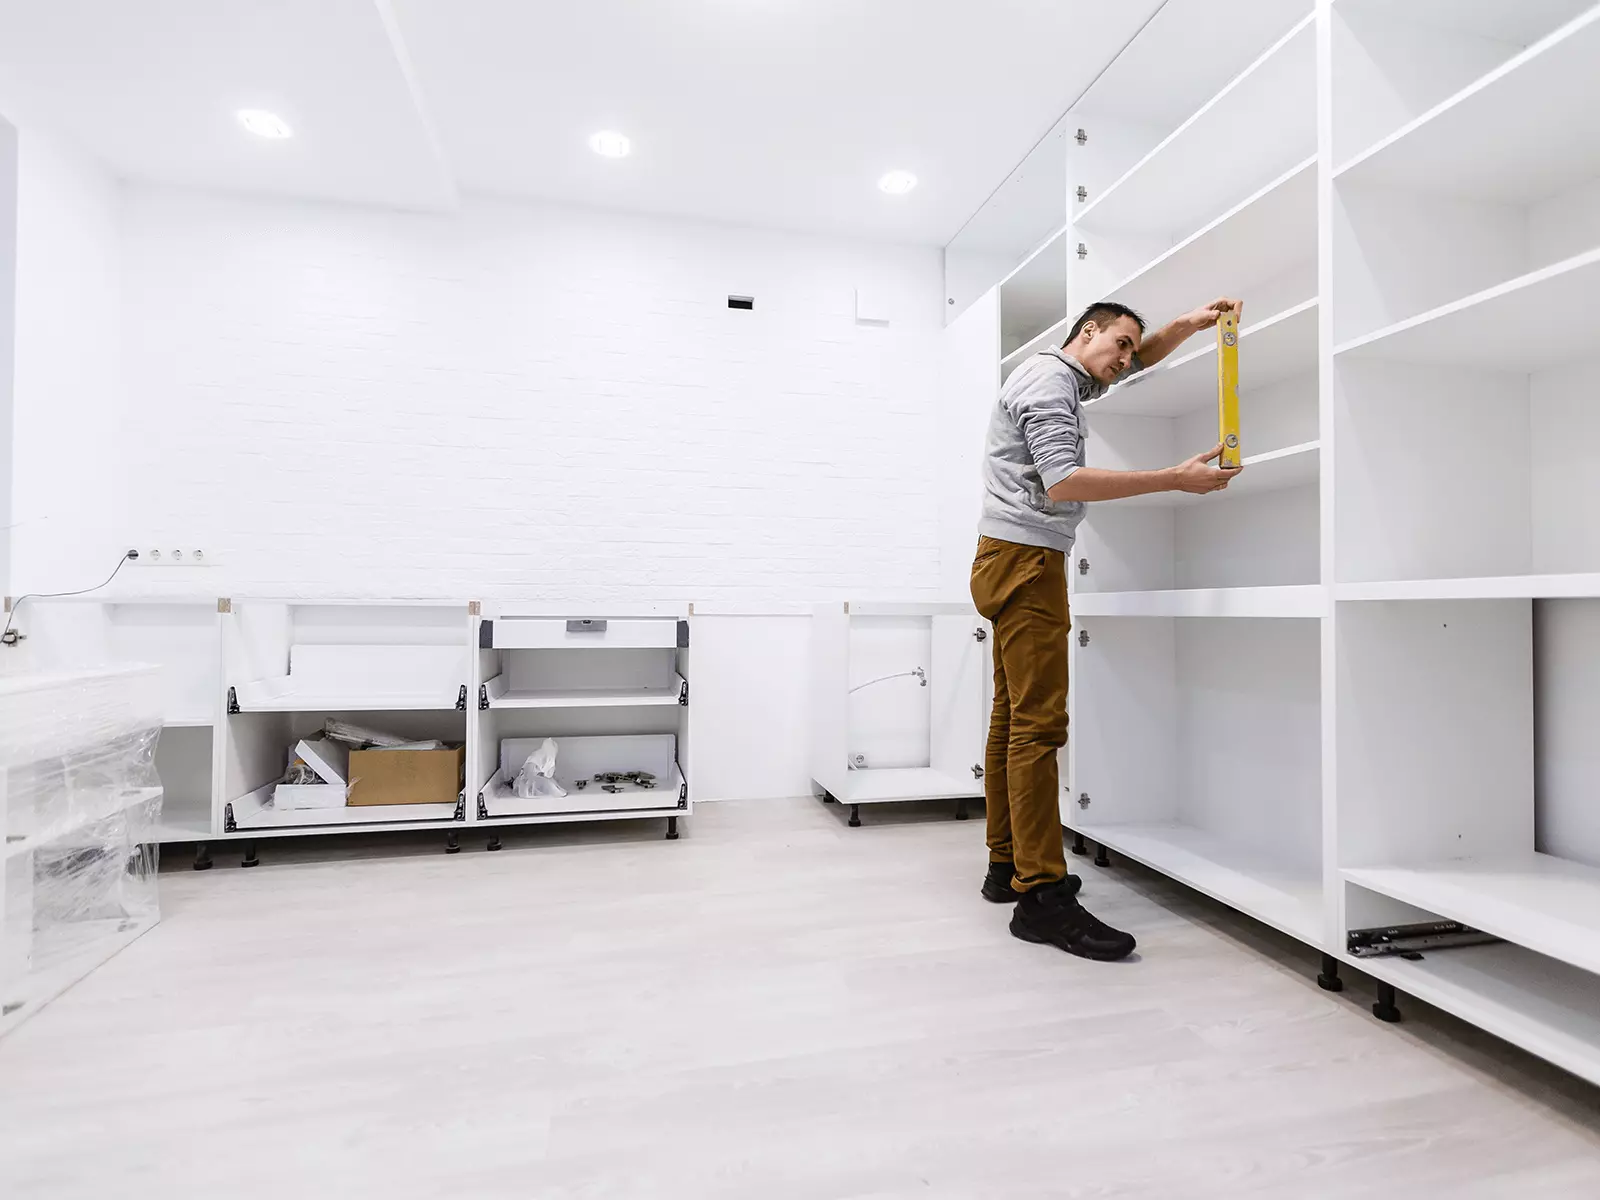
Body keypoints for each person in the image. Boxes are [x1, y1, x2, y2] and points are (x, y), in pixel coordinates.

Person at [971, 297, 1243, 961]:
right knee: (1039, 729)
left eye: (1129, 350)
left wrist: (1186, 326)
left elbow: (1132, 363)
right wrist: (1174, 479)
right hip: (1029, 562)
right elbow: (1064, 482)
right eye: (1117, 344)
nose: (1124, 361)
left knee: (1013, 721)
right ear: (1085, 332)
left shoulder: (1061, 374)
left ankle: (1007, 867)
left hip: (1007, 556)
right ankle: (1043, 897)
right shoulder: (1049, 386)